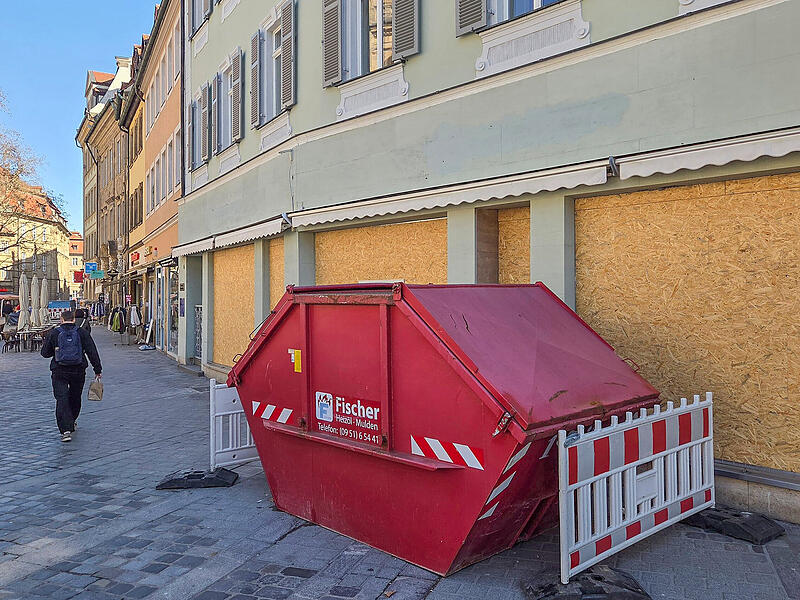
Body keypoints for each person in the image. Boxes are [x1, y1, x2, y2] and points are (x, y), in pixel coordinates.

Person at [41, 310, 102, 442]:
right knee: (75, 397)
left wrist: (56, 350)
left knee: (61, 399)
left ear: (61, 319)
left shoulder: (54, 333)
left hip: (59, 371)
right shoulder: (82, 333)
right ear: (73, 319)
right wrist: (97, 369)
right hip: (78, 370)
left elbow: (44, 353)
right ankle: (72, 420)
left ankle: (65, 430)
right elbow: (92, 351)